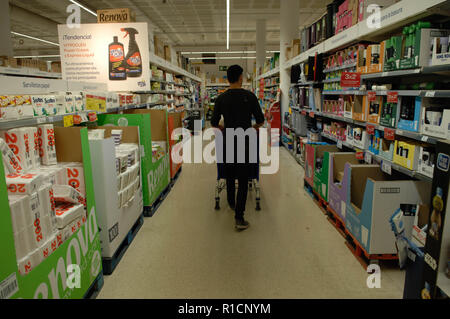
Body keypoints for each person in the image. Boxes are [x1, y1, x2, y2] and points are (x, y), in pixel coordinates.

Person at [211, 65, 265, 231]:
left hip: (227, 142)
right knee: (242, 180)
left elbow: (214, 122)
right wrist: (251, 129)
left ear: (227, 79)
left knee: (229, 175)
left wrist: (224, 129)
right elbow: (261, 120)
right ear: (241, 77)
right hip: (244, 143)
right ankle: (239, 218)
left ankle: (231, 203)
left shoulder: (221, 99)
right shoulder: (249, 96)